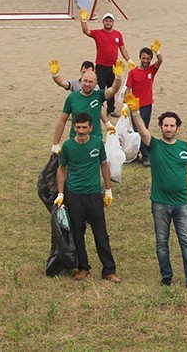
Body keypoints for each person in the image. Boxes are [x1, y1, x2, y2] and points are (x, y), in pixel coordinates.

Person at [125, 94, 187, 290]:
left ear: (178, 128)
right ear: (161, 127)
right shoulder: (155, 145)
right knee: (162, 242)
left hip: (182, 204)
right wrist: (136, 112)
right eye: (165, 125)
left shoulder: (184, 148)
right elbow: (143, 131)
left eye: (172, 125)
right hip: (159, 203)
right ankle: (166, 276)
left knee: (186, 242)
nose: (168, 128)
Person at [53, 112, 119, 283]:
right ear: (74, 127)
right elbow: (61, 169)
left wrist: (108, 190)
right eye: (78, 127)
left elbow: (104, 165)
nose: (81, 131)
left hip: (94, 194)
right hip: (74, 195)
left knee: (101, 234)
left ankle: (109, 270)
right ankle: (83, 267)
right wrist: (61, 193)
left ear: (90, 128)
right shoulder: (67, 146)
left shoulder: (97, 143)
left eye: (84, 127)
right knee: (77, 232)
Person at [51, 65, 125, 153]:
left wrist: (118, 77)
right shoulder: (72, 98)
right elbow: (62, 121)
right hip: (76, 140)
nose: (87, 84)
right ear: (81, 80)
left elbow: (114, 89)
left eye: (90, 82)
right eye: (85, 81)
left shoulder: (99, 95)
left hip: (95, 141)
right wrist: (55, 144)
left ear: (95, 84)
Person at [80, 10, 131, 117]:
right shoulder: (98, 33)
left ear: (113, 22)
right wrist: (83, 20)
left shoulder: (118, 34)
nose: (108, 22)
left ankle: (110, 109)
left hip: (113, 67)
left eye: (110, 21)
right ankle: (98, 107)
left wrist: (129, 61)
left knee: (112, 88)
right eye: (106, 20)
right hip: (101, 66)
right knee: (100, 88)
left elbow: (123, 49)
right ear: (103, 22)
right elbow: (86, 31)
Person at [125, 41, 164, 166]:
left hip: (148, 105)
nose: (145, 60)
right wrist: (127, 104)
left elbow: (160, 61)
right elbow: (128, 89)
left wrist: (157, 52)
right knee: (138, 131)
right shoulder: (133, 73)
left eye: (148, 58)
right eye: (143, 58)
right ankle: (145, 156)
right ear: (140, 58)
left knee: (144, 129)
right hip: (136, 107)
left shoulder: (152, 70)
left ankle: (142, 154)